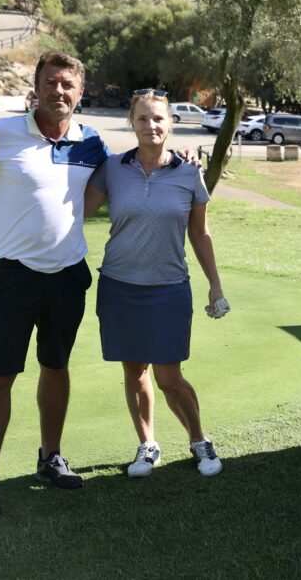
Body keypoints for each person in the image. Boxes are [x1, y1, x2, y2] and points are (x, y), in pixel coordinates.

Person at [0, 52, 108, 527]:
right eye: (51, 82)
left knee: (56, 367)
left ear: (80, 92)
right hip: (9, 276)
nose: (59, 91)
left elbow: (113, 181)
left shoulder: (91, 142)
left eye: (68, 84)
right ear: (37, 87)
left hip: (67, 275)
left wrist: (180, 157)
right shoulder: (0, 134)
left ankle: (50, 457)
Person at [84, 90, 225, 478]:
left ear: (171, 124)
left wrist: (215, 285)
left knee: (169, 377)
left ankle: (198, 439)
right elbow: (74, 211)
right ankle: (147, 444)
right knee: (133, 370)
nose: (151, 126)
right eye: (143, 119)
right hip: (119, 285)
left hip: (167, 288)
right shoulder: (114, 168)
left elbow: (200, 234)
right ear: (132, 122)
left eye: (158, 119)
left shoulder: (189, 172)